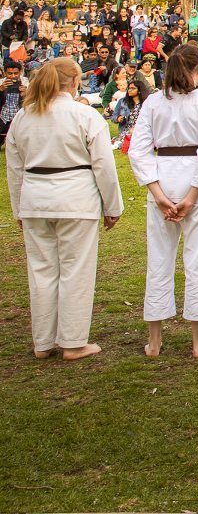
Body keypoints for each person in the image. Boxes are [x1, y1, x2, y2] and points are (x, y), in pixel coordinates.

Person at [5, 58, 123, 360]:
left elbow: (14, 168)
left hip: (37, 199)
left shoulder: (23, 117)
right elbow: (104, 165)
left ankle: (43, 342)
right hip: (75, 200)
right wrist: (112, 206)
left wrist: (19, 207)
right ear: (73, 83)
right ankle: (72, 342)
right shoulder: (82, 115)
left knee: (41, 270)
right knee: (75, 270)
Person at [127, 44, 198, 358]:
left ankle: (155, 340)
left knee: (159, 257)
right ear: (197, 71)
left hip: (166, 175)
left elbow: (138, 151)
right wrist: (192, 194)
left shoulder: (154, 103)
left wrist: (158, 193)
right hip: (189, 177)